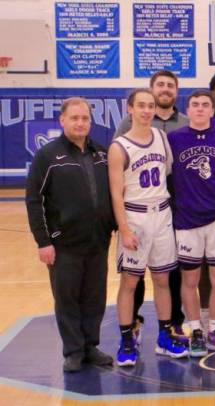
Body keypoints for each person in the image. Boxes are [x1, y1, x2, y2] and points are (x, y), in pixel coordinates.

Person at [25, 97, 116, 372]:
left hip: (98, 241)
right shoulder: (47, 156)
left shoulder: (101, 152)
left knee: (94, 297)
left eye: (85, 118)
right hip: (63, 244)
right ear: (62, 120)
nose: (80, 123)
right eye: (74, 118)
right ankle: (73, 351)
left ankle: (90, 346)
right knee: (67, 299)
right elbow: (33, 200)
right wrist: (44, 241)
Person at [108, 89, 188, 366]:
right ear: (129, 108)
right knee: (130, 281)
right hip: (135, 217)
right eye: (140, 105)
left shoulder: (162, 139)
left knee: (163, 279)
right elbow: (116, 194)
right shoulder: (119, 147)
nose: (145, 110)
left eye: (150, 106)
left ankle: (165, 337)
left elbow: (166, 175)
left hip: (162, 215)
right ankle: (127, 340)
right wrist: (125, 229)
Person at [166, 90, 215, 356]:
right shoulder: (173, 139)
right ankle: (195, 329)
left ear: (211, 109)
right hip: (186, 219)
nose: (199, 108)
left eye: (205, 104)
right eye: (194, 104)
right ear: (188, 109)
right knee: (190, 278)